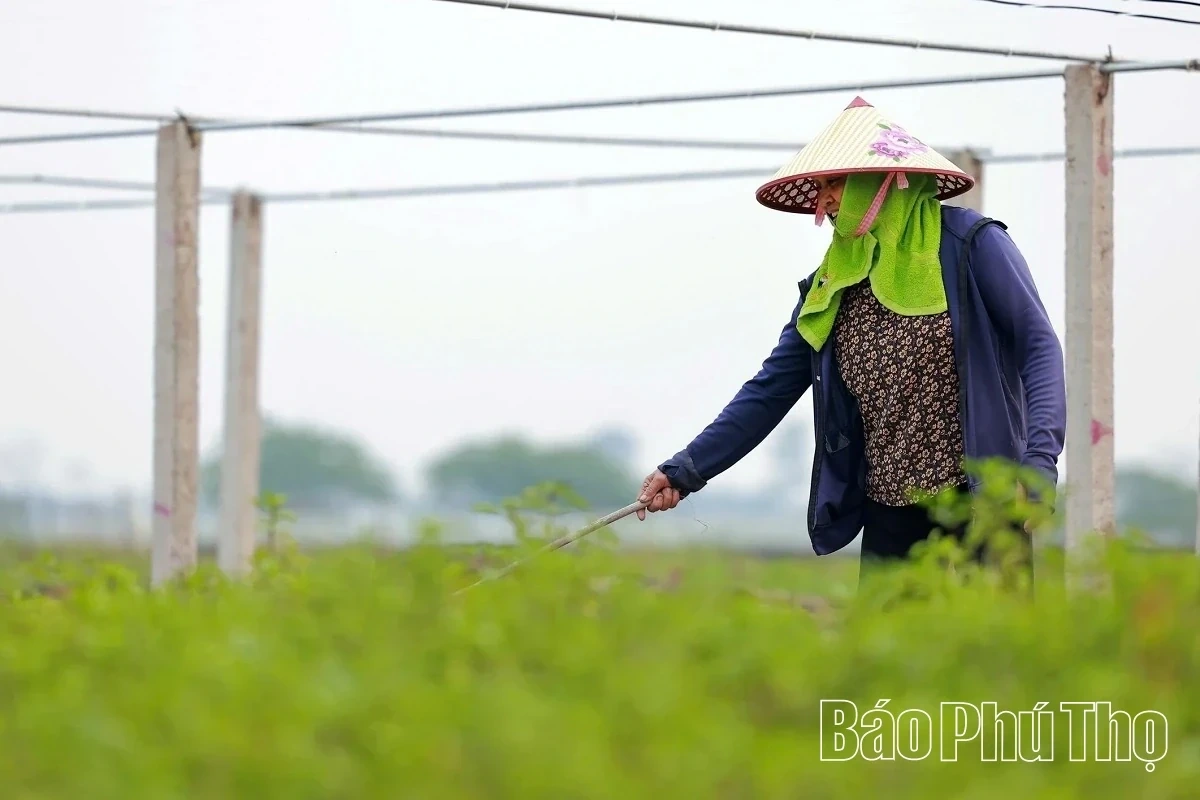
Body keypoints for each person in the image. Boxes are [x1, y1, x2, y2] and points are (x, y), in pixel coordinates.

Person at [635, 96, 1066, 575]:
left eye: (834, 183)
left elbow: (1039, 347)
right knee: (882, 650)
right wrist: (685, 470)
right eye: (818, 189)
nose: (824, 202)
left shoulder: (972, 245)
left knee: (989, 648)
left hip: (981, 504)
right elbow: (770, 388)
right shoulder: (833, 282)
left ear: (883, 179)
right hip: (889, 515)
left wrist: (1038, 463)